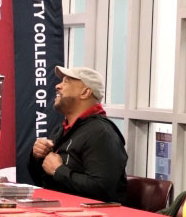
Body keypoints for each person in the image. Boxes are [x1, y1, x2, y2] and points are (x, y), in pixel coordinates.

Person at [29, 66, 128, 203]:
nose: (58, 86)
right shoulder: (62, 129)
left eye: (66, 81)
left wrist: (59, 171)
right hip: (58, 208)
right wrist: (37, 157)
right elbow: (42, 180)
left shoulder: (101, 133)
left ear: (85, 92)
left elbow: (102, 189)